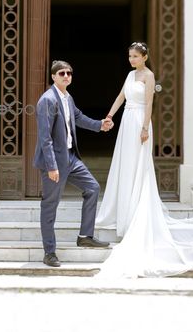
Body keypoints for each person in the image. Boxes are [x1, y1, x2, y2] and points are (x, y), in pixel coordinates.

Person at [96, 41, 193, 278]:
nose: (132, 60)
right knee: (125, 165)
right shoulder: (130, 75)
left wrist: (145, 127)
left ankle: (135, 210)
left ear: (144, 57)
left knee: (139, 166)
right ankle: (122, 209)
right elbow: (121, 96)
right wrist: (109, 115)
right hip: (127, 120)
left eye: (135, 56)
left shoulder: (149, 76)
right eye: (130, 56)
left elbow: (149, 102)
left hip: (140, 120)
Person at [33, 59, 113, 268]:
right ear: (53, 76)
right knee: (50, 206)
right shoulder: (47, 100)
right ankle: (49, 252)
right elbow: (45, 138)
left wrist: (100, 125)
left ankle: (85, 236)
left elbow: (79, 117)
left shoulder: (67, 98)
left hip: (70, 158)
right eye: (62, 73)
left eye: (69, 73)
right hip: (55, 161)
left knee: (93, 188)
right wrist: (51, 166)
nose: (66, 76)